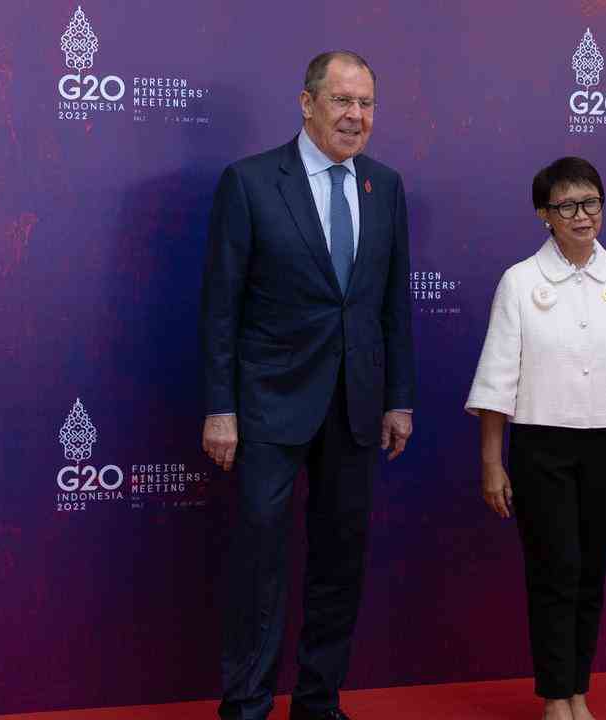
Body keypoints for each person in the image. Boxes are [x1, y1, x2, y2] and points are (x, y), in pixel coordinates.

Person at [200, 50, 414, 720]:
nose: (357, 117)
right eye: (343, 101)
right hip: (268, 405)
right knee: (261, 562)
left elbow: (391, 304)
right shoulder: (252, 182)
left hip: (355, 406)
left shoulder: (386, 185)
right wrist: (220, 408)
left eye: (368, 104)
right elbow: (220, 308)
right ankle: (247, 706)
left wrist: (397, 397)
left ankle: (319, 702)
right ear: (306, 102)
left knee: (339, 561)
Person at [465, 157, 606, 720]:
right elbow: (496, 382)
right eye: (566, 206)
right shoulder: (519, 281)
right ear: (544, 214)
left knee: (592, 571)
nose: (582, 215)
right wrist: (493, 463)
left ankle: (578, 691)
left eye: (591, 203)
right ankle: (553, 696)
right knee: (553, 570)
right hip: (541, 447)